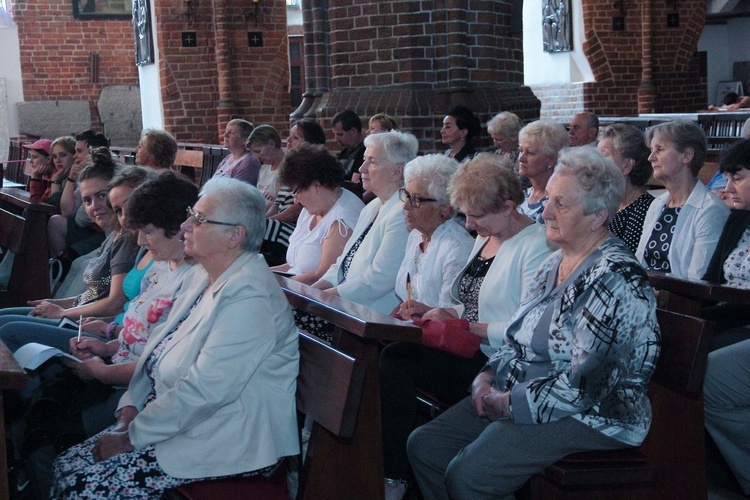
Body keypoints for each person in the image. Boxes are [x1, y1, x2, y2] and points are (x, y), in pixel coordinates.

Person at [407, 147, 661, 499]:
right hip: (527, 391)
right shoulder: (553, 262)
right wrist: (486, 377)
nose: (545, 212)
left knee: (469, 475)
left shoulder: (615, 278)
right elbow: (515, 338)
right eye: (548, 200)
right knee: (427, 446)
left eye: (561, 204)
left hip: (594, 415)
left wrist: (510, 403)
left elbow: (586, 385)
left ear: (597, 216)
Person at [52, 178, 300, 498]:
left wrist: (130, 437)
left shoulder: (252, 297)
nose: (184, 226)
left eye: (197, 220)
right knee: (67, 464)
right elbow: (157, 351)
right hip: (182, 423)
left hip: (227, 439)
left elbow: (204, 390)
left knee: (83, 486)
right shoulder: (203, 275)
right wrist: (126, 415)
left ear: (234, 236)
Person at [9, 171, 199, 497]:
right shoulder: (159, 267)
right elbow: (140, 334)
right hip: (123, 375)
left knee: (54, 435)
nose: (138, 239)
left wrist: (104, 374)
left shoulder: (198, 283)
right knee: (43, 416)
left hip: (144, 395)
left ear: (180, 227)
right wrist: (107, 343)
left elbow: (168, 368)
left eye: (146, 231)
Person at [380, 153, 554, 498]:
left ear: (507, 206)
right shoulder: (487, 235)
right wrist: (439, 311)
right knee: (391, 353)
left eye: (475, 215)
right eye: (467, 214)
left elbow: (527, 327)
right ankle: (392, 471)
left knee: (397, 360)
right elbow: (470, 301)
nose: (469, 224)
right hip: (473, 351)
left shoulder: (536, 246)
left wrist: (468, 326)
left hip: (502, 362)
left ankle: (393, 476)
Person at [0, 163, 143, 352]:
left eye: (101, 195)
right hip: (82, 316)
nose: (95, 206)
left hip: (98, 328)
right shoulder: (113, 237)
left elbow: (114, 303)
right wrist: (57, 303)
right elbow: (95, 293)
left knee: (9, 330)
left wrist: (63, 313)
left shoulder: (126, 241)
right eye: (87, 200)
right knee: (2, 318)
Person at [307, 131, 417, 340]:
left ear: (397, 172)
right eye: (364, 160)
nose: (361, 168)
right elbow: (343, 263)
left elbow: (379, 279)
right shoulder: (372, 206)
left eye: (371, 162)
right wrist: (314, 290)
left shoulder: (403, 212)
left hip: (371, 315)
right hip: (346, 306)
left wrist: (326, 298)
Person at [636, 120, 729, 279]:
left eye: (659, 149)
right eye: (652, 150)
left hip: (677, 300)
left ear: (686, 155)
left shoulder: (710, 210)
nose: (651, 157)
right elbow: (639, 264)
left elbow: (698, 280)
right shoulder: (657, 204)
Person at [392, 154, 473, 316]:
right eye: (406, 195)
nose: (405, 206)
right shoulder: (416, 235)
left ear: (445, 208)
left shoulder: (458, 248)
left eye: (415, 199)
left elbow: (448, 315)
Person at [271, 143, 364, 285]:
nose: (296, 199)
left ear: (317, 186)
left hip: (313, 297)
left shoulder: (342, 220)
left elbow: (322, 277)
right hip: (295, 289)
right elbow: (292, 266)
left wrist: (274, 286)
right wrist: (264, 274)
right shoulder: (310, 210)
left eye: (296, 192)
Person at [598, 123, 654, 253]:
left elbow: (625, 259)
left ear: (627, 165)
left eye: (604, 157)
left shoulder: (644, 210)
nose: (595, 163)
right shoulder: (605, 203)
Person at [517, 119, 569, 223]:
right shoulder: (519, 196)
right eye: (520, 151)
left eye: (530, 153)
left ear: (551, 160)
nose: (521, 158)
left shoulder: (558, 203)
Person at [212, 119, 262, 185]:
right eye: (226, 131)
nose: (225, 135)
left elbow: (236, 193)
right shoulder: (227, 159)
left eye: (232, 133)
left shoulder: (248, 162)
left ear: (244, 140)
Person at [331, 109, 366, 180]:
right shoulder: (343, 153)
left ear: (353, 131)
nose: (336, 139)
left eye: (340, 135)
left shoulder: (366, 152)